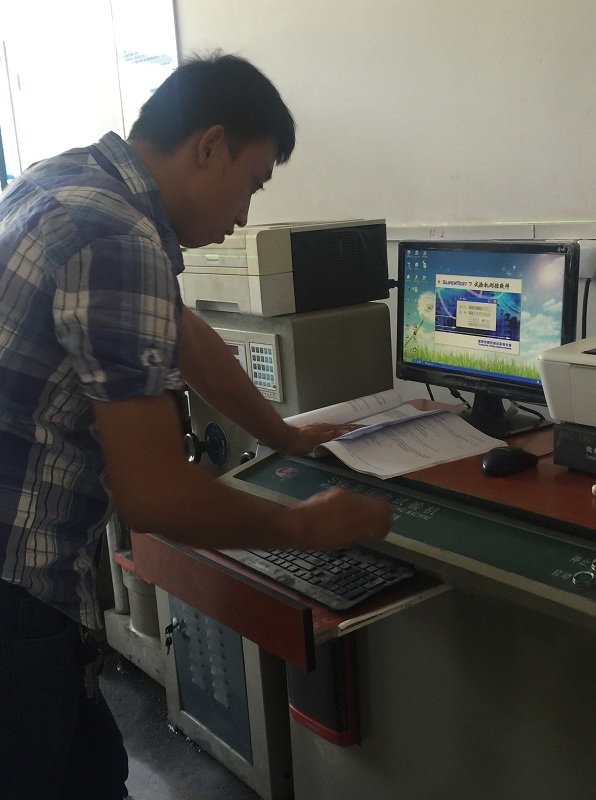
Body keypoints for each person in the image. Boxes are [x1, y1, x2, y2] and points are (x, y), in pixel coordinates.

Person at [0, 52, 391, 799]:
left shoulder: (68, 180)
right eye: (252, 183)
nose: (243, 216)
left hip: (25, 573)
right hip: (15, 590)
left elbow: (184, 334)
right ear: (210, 146)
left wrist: (283, 435)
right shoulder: (117, 237)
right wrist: (305, 527)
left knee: (92, 772)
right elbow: (154, 497)